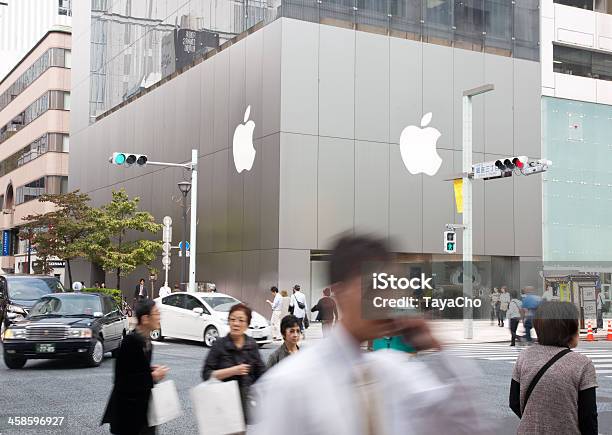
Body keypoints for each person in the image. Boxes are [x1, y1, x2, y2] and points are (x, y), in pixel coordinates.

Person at [251, 235, 491, 435]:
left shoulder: (393, 369)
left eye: (391, 286)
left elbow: (465, 426)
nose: (385, 299)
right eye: (374, 287)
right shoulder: (291, 383)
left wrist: (439, 348)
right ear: (339, 292)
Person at [510, 301, 597, 434]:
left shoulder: (524, 356)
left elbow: (514, 402)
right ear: (570, 329)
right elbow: (588, 417)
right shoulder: (582, 364)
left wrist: (536, 421)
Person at [101, 300, 169, 434]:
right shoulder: (130, 342)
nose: (159, 317)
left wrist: (149, 370)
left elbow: (135, 369)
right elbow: (122, 381)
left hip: (143, 413)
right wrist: (153, 376)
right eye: (156, 313)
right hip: (128, 415)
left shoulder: (147, 341)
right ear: (145, 319)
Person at [201, 303, 266, 423]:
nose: (236, 323)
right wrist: (233, 371)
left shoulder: (251, 345)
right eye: (232, 319)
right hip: (222, 404)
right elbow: (206, 374)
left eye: (241, 320)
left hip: (244, 403)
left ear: (247, 324)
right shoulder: (219, 345)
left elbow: (262, 374)